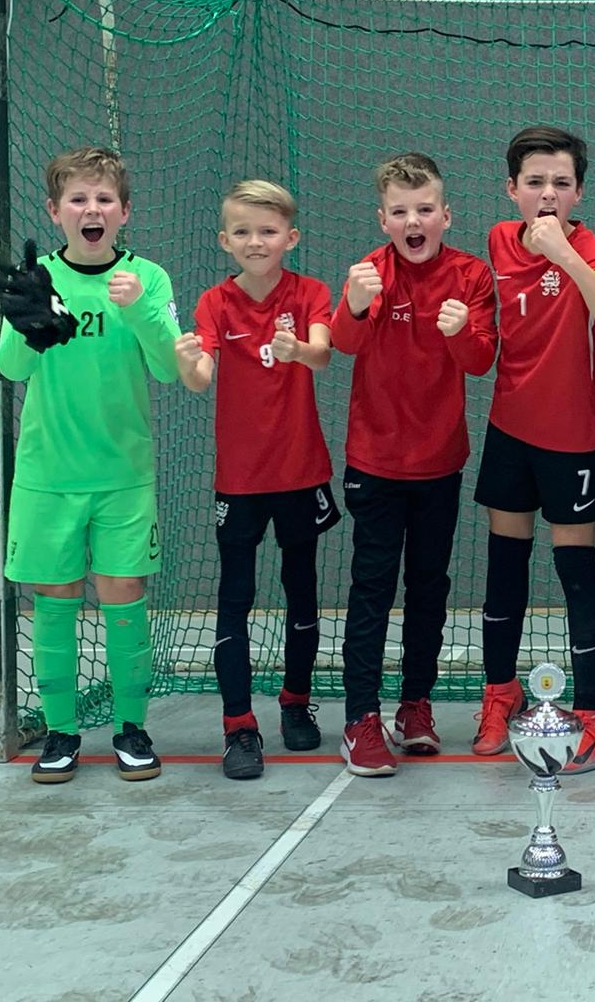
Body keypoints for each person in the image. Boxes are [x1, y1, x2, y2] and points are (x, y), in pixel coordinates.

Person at [0, 146, 181, 785]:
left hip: (123, 475)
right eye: (78, 198)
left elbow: (168, 368)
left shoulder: (147, 278)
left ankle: (132, 727)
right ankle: (61, 732)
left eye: (104, 198)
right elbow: (10, 368)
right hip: (48, 476)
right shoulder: (38, 278)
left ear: (124, 211)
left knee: (124, 596)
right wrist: (31, 327)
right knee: (53, 600)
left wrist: (140, 310)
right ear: (55, 211)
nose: (91, 208)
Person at [329, 153, 497, 777]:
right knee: (372, 589)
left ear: (445, 215)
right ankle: (360, 718)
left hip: (439, 462)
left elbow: (480, 360)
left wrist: (459, 331)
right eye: (400, 212)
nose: (413, 221)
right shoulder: (369, 273)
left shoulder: (470, 275)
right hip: (375, 461)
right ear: (384, 220)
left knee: (429, 588)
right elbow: (344, 344)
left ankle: (415, 706)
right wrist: (352, 305)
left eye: (425, 209)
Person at [470, 126, 595, 772]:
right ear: (512, 189)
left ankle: (591, 711)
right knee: (505, 568)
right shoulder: (497, 241)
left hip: (572, 439)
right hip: (509, 430)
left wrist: (565, 254)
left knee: (576, 571)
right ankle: (499, 693)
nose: (547, 194)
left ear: (578, 193)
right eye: (535, 182)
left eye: (561, 183)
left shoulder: (590, 249)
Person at [175, 180, 337, 780]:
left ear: (290, 238)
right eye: (242, 231)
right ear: (225, 241)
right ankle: (239, 726)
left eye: (268, 231)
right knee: (235, 598)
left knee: (302, 590)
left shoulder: (311, 292)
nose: (255, 241)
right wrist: (186, 361)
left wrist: (299, 352)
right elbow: (200, 376)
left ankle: (296, 701)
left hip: (300, 471)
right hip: (240, 480)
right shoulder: (215, 303)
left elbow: (323, 353)